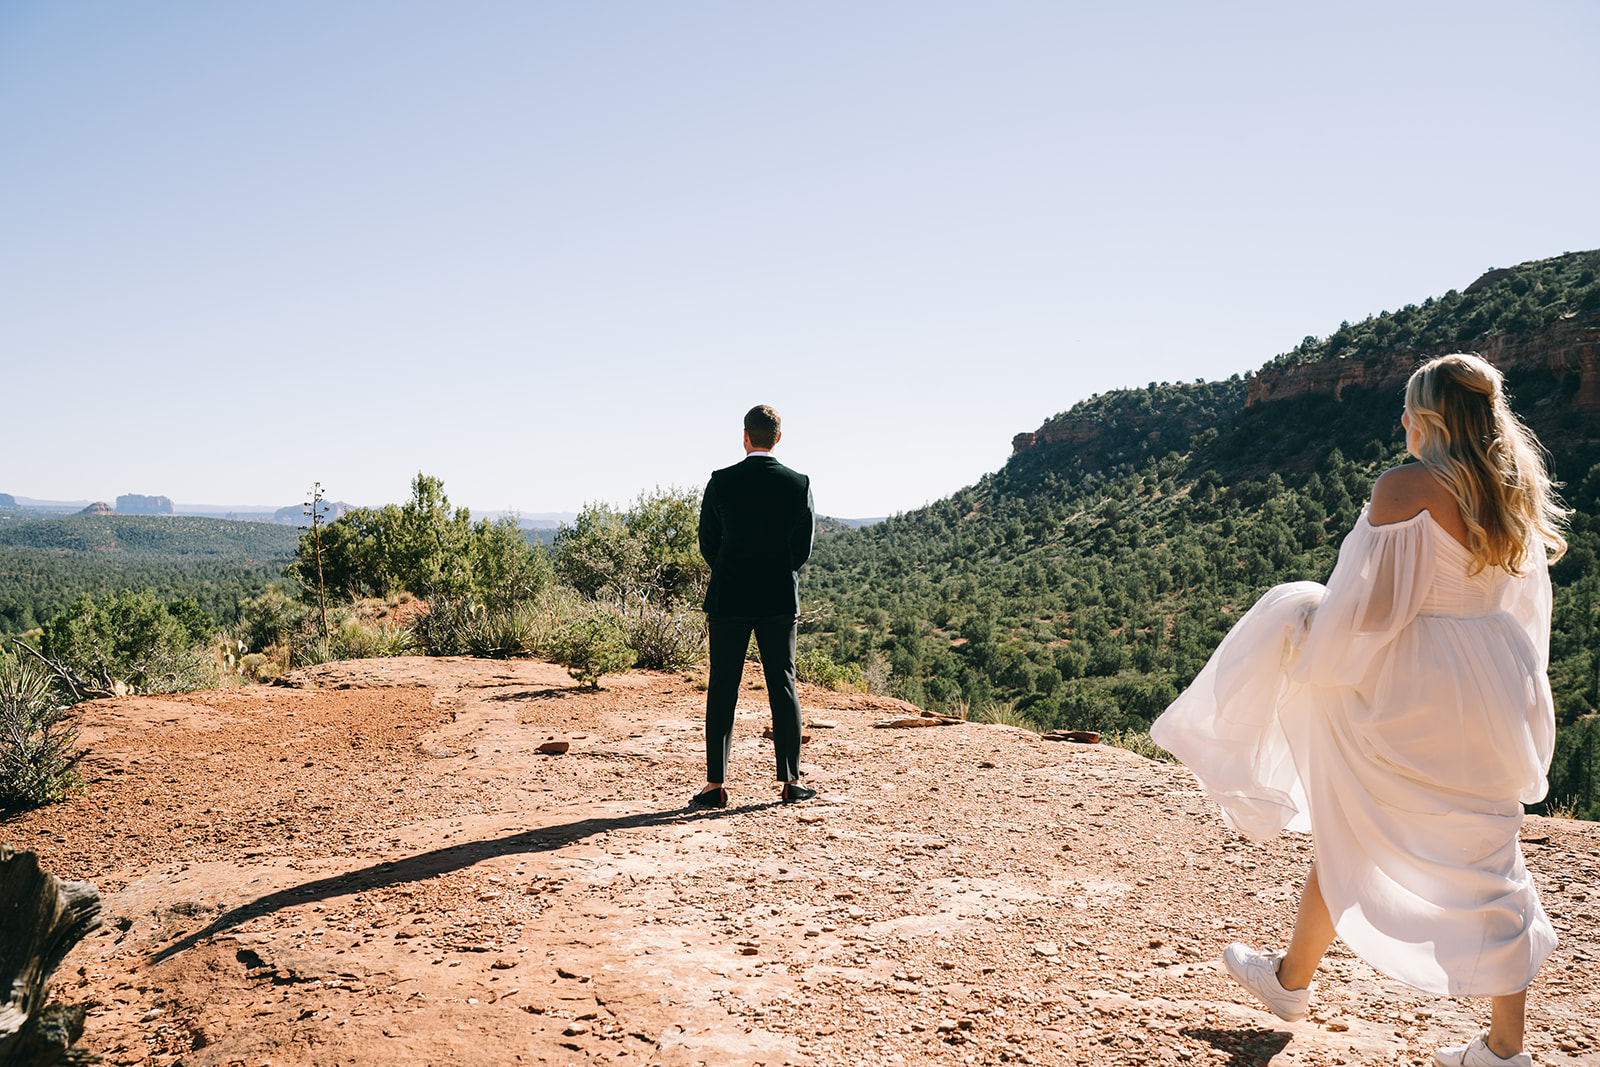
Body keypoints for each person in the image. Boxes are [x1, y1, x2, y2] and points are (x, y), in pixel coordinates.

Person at [1151, 353, 1567, 1067]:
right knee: (1489, 848)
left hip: (1417, 685)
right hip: (1499, 680)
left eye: (1408, 409)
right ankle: (1496, 1046)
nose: (1401, 420)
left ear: (1429, 417)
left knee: (1353, 809)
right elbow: (1521, 609)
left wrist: (1307, 632)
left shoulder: (1405, 486)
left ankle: (1290, 980)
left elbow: (1369, 607)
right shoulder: (1515, 489)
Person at [691, 404, 817, 808]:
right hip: (779, 596)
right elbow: (803, 548)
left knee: (723, 685)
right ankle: (790, 782)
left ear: (745, 436)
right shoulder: (798, 483)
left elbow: (707, 540)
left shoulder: (721, 481)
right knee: (783, 684)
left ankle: (715, 786)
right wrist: (779, 571)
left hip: (729, 595)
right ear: (777, 438)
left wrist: (729, 569)